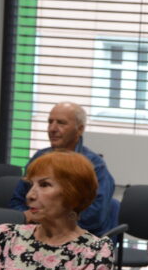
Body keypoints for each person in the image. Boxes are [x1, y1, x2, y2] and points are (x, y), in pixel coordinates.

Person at [9, 101, 116, 236]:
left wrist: (44, 219)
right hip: (34, 233)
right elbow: (17, 201)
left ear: (80, 129)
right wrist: (25, 216)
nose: (52, 128)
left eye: (61, 123)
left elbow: (94, 216)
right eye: (50, 122)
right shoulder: (39, 158)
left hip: (76, 238)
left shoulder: (94, 165)